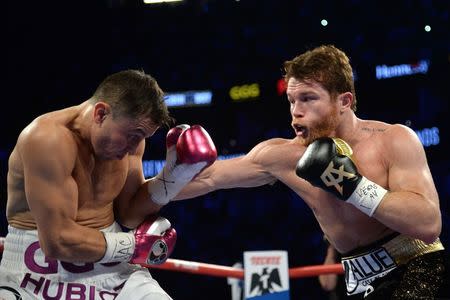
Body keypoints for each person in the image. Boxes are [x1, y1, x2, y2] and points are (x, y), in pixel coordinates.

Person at [175, 45, 450, 298]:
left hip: (423, 270)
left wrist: (351, 185)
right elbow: (208, 178)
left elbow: (427, 225)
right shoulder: (283, 155)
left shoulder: (393, 139)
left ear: (344, 101)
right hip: (362, 284)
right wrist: (144, 187)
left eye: (308, 99)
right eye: (292, 100)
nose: (296, 111)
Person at [0, 69, 217, 299]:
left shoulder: (128, 144)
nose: (135, 148)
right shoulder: (47, 139)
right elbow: (56, 241)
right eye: (134, 135)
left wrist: (175, 176)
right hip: (32, 272)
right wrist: (131, 246)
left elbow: (130, 215)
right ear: (101, 114)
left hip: (109, 267)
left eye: (143, 138)